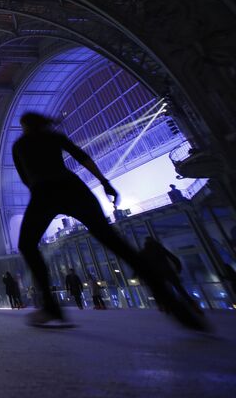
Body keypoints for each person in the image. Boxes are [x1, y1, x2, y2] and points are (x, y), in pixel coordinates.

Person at [12, 111, 207, 330]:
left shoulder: (20, 145)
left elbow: (26, 179)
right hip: (74, 189)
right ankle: (175, 305)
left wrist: (43, 205)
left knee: (27, 245)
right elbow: (83, 158)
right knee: (115, 243)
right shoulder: (53, 137)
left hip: (44, 193)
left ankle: (50, 307)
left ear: (25, 125)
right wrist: (104, 182)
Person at [139, 236, 197, 310]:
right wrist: (178, 268)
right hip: (168, 271)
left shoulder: (144, 251)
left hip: (157, 273)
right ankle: (191, 303)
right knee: (179, 288)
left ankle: (162, 305)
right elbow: (173, 258)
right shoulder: (160, 249)